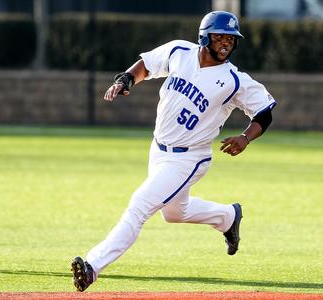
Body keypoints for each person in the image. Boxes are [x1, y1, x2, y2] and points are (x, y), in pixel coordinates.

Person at [71, 11, 276, 291]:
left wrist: (246, 137)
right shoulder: (179, 51)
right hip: (159, 148)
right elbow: (146, 64)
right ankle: (227, 216)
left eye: (231, 38)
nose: (226, 42)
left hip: (190, 157)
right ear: (204, 36)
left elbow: (264, 112)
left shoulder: (234, 80)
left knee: (139, 206)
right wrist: (126, 80)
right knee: (174, 213)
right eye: (219, 36)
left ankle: (93, 266)